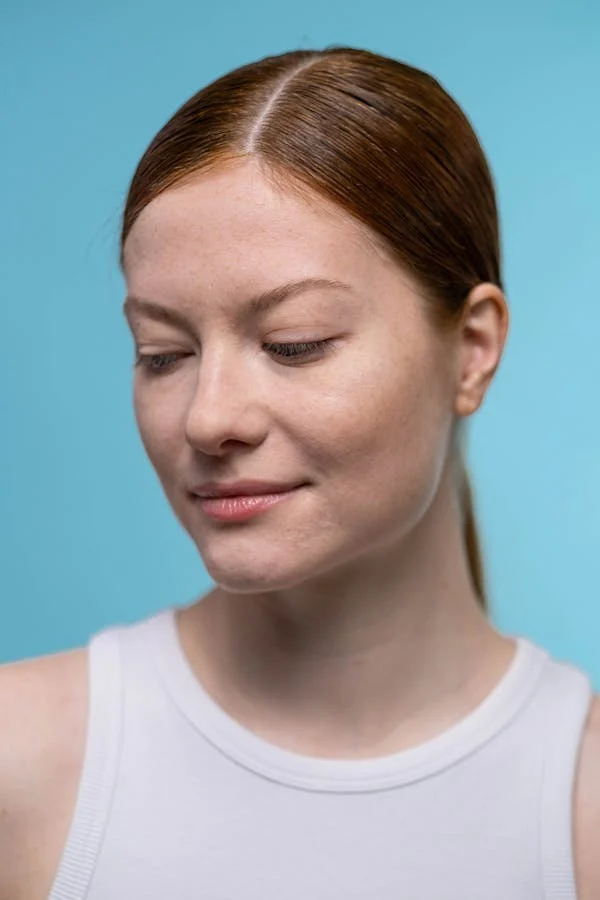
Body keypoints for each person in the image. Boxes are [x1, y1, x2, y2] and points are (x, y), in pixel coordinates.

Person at [1, 45, 598, 900]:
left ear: (472, 349)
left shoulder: (583, 815)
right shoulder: (17, 767)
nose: (209, 418)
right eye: (163, 354)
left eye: (295, 345)